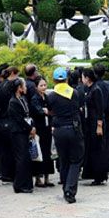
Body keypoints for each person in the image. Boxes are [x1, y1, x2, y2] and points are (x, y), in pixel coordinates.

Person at [44, 68, 84, 203]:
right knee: (75, 160)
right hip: (73, 129)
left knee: (64, 160)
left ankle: (65, 187)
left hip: (59, 130)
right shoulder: (75, 93)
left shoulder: (51, 96)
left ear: (54, 80)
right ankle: (70, 190)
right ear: (66, 79)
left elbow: (50, 111)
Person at [80, 68, 109, 185]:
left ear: (87, 78)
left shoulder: (96, 90)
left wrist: (99, 125)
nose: (82, 79)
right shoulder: (89, 89)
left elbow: (100, 109)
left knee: (98, 148)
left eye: (83, 77)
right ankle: (94, 173)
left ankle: (100, 175)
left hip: (96, 122)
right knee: (92, 148)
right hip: (89, 122)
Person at [5, 78, 35, 194]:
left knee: (25, 158)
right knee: (21, 158)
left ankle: (26, 183)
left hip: (24, 130)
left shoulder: (22, 99)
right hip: (17, 132)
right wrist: (29, 128)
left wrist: (32, 126)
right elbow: (18, 119)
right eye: (24, 86)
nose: (26, 88)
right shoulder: (13, 102)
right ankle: (19, 184)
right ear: (19, 88)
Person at [0, 66, 20, 182]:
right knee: (12, 149)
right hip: (9, 119)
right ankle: (11, 173)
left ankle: (4, 173)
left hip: (1, 120)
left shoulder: (0, 85)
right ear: (13, 73)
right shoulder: (11, 85)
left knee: (4, 149)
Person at [30, 77, 55, 187]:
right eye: (41, 85)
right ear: (36, 87)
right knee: (39, 152)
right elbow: (39, 111)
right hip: (39, 128)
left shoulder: (47, 97)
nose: (44, 87)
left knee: (47, 152)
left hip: (47, 128)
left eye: (45, 85)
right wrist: (45, 111)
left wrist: (47, 112)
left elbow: (51, 111)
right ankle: (38, 178)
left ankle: (47, 177)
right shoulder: (35, 98)